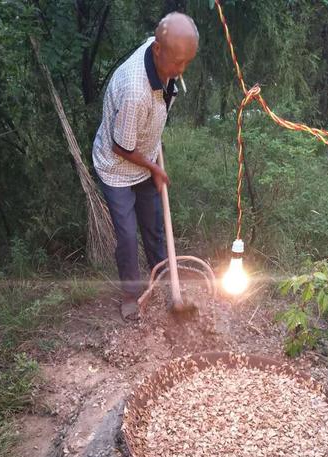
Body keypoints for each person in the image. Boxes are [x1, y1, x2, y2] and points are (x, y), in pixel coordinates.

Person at [92, 12, 199, 320]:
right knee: (127, 235)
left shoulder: (165, 54)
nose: (181, 70)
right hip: (116, 167)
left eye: (186, 62)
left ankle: (168, 285)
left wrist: (153, 156)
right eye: (177, 62)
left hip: (145, 156)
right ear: (157, 50)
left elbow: (157, 108)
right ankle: (130, 293)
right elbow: (120, 147)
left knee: (153, 227)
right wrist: (155, 169)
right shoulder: (134, 91)